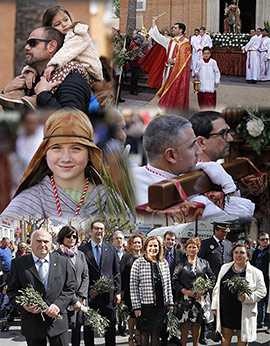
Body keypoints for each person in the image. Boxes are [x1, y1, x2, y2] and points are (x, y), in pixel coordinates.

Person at [131, 115, 255, 219]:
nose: (199, 151)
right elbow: (237, 225)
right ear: (171, 155)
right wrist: (230, 187)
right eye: (192, 145)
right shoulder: (193, 203)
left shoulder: (126, 178)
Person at [1, 108, 106, 222]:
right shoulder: (28, 200)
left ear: (90, 154)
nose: (66, 158)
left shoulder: (108, 200)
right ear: (45, 153)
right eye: (56, 148)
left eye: (76, 148)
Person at [0, 26, 91, 114]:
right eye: (27, 43)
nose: (26, 47)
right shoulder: (31, 79)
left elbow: (70, 121)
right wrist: (6, 93)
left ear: (51, 46)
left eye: (33, 43)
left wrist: (43, 94)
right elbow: (20, 121)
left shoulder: (72, 78)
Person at [7, 229, 76, 346]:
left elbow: (70, 288)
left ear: (51, 244)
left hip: (58, 323)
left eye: (46, 241)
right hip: (32, 324)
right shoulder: (18, 264)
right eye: (39, 241)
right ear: (31, 242)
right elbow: (12, 292)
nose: (42, 245)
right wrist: (24, 305)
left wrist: (58, 305)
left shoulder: (63, 262)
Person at [212, 243, 267, 345]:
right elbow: (217, 288)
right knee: (225, 337)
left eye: (242, 253)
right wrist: (214, 306)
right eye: (236, 252)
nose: (238, 255)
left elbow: (262, 291)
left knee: (242, 340)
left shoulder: (256, 272)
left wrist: (247, 298)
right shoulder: (224, 268)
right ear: (232, 255)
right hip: (226, 311)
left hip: (244, 311)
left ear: (247, 256)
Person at [79, 220, 121, 346]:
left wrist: (118, 292)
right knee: (89, 328)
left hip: (108, 296)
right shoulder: (82, 250)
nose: (99, 231)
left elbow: (116, 271)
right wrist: (87, 291)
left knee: (110, 328)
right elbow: (79, 274)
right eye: (96, 229)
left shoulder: (111, 248)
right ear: (90, 231)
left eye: (101, 229)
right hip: (91, 297)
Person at [130, 235, 174, 346]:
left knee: (156, 333)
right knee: (144, 333)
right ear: (146, 247)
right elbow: (133, 286)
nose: (153, 248)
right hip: (145, 305)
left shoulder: (163, 263)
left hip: (160, 305)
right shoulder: (138, 263)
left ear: (159, 248)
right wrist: (136, 306)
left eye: (155, 246)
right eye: (150, 246)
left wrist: (170, 303)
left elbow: (168, 284)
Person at [172, 238, 215, 346]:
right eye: (189, 247)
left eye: (194, 247)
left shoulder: (204, 263)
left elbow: (212, 278)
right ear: (186, 249)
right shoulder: (181, 263)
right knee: (184, 324)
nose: (191, 249)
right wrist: (184, 291)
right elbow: (174, 279)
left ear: (198, 249)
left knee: (197, 323)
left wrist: (204, 289)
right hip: (184, 298)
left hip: (200, 299)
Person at [146, 18, 191, 109]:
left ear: (181, 30)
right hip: (167, 69)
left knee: (175, 90)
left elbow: (186, 58)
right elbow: (158, 37)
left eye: (175, 28)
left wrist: (174, 61)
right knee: (165, 88)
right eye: (173, 28)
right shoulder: (170, 41)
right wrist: (154, 22)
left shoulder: (185, 43)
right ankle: (165, 106)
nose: (173, 29)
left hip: (177, 71)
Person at [55, 225, 89, 346]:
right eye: (68, 236)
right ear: (62, 237)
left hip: (80, 300)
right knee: (62, 333)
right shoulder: (56, 255)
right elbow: (57, 280)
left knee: (77, 330)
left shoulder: (80, 255)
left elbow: (85, 276)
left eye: (74, 236)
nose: (71, 238)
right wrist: (72, 299)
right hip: (63, 299)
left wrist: (81, 296)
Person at [120, 233, 144, 346]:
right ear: (130, 244)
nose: (137, 244)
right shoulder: (126, 257)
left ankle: (138, 336)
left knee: (141, 315)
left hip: (143, 291)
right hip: (130, 290)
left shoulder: (145, 256)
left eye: (139, 242)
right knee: (132, 315)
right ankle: (130, 337)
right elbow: (122, 275)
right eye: (135, 242)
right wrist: (122, 292)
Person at [250, 232, 269, 329]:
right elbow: (252, 265)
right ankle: (259, 322)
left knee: (269, 303)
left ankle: (268, 323)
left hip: (268, 280)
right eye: (263, 239)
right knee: (260, 301)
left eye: (266, 239)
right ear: (258, 241)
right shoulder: (256, 252)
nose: (265, 241)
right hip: (257, 280)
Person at [112, 230, 127, 336]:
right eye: (116, 238)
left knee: (123, 308)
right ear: (113, 241)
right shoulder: (109, 252)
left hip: (125, 285)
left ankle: (122, 327)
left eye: (120, 238)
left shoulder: (127, 253)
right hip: (113, 285)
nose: (119, 240)